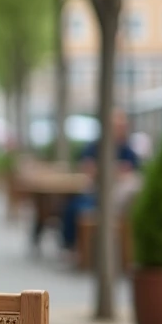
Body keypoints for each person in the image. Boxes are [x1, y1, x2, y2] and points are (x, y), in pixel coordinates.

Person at [60, 108, 140, 252]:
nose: (121, 129)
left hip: (113, 199)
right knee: (70, 208)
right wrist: (113, 170)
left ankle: (80, 250)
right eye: (117, 126)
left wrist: (102, 169)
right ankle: (71, 247)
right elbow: (85, 167)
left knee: (77, 208)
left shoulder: (128, 150)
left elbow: (130, 173)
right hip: (94, 192)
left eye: (122, 126)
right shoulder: (96, 146)